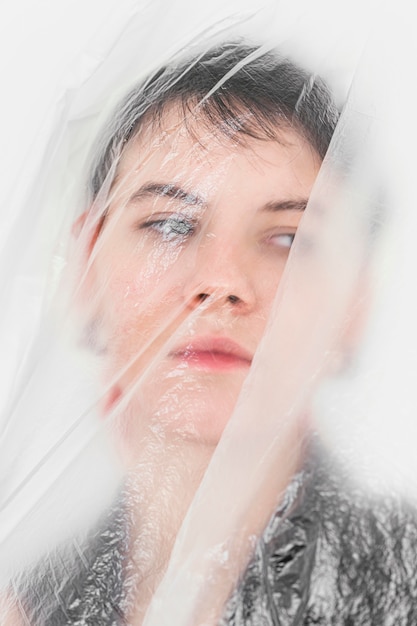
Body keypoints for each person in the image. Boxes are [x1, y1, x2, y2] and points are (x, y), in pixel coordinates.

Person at [3, 40, 417, 626]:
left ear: (354, 302)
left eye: (288, 239)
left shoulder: (404, 585)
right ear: (85, 267)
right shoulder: (24, 597)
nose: (221, 283)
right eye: (170, 224)